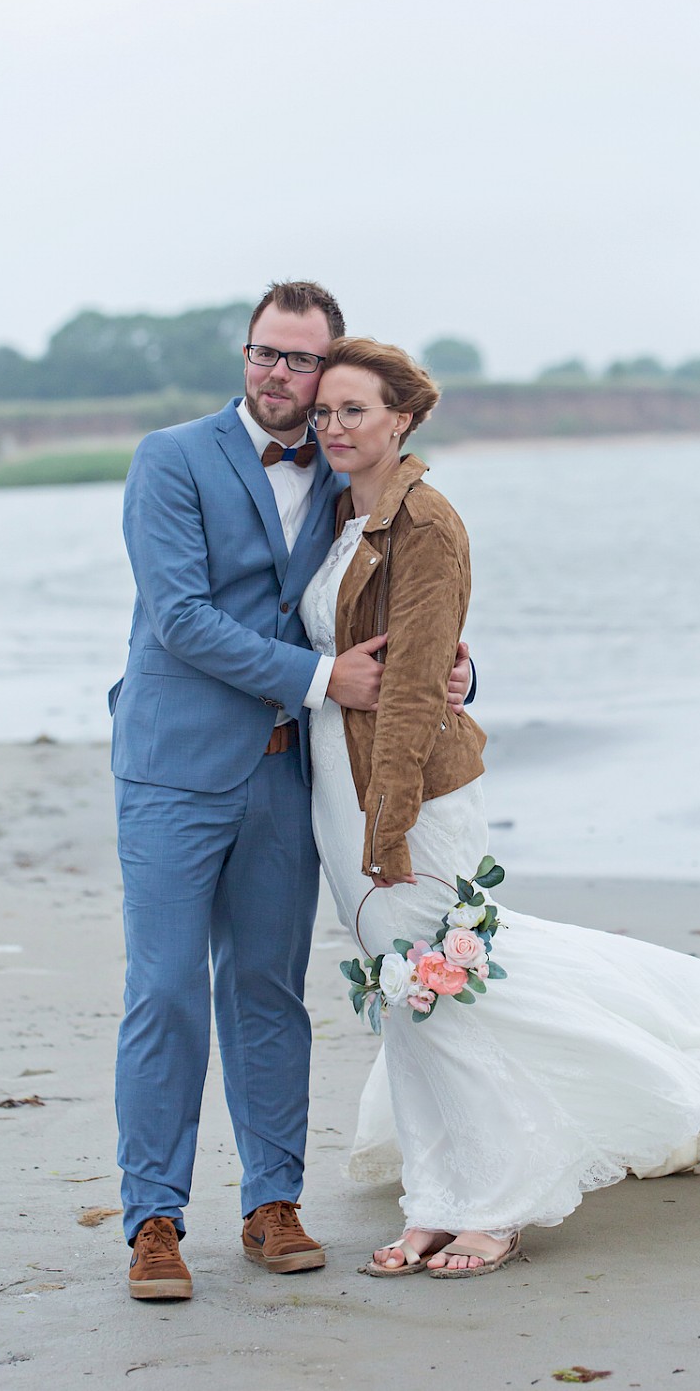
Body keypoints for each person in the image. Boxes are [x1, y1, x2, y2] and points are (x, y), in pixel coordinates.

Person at [299, 335, 700, 1278]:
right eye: (327, 410)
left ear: (403, 419)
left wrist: (389, 831)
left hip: (407, 802)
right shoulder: (342, 512)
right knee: (407, 1002)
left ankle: (495, 1204)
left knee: (445, 994)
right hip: (345, 796)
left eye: (356, 411)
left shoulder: (427, 523)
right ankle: (435, 1194)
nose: (335, 426)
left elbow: (419, 687)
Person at [109, 280, 473, 1300]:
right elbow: (178, 618)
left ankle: (273, 1203)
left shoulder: (350, 471)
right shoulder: (170, 459)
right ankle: (154, 1220)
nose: (280, 375)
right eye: (265, 353)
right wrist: (325, 679)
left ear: (330, 371)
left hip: (285, 772)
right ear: (247, 357)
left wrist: (451, 669)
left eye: (302, 362)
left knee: (268, 992)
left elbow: (400, 590)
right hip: (173, 770)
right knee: (166, 990)